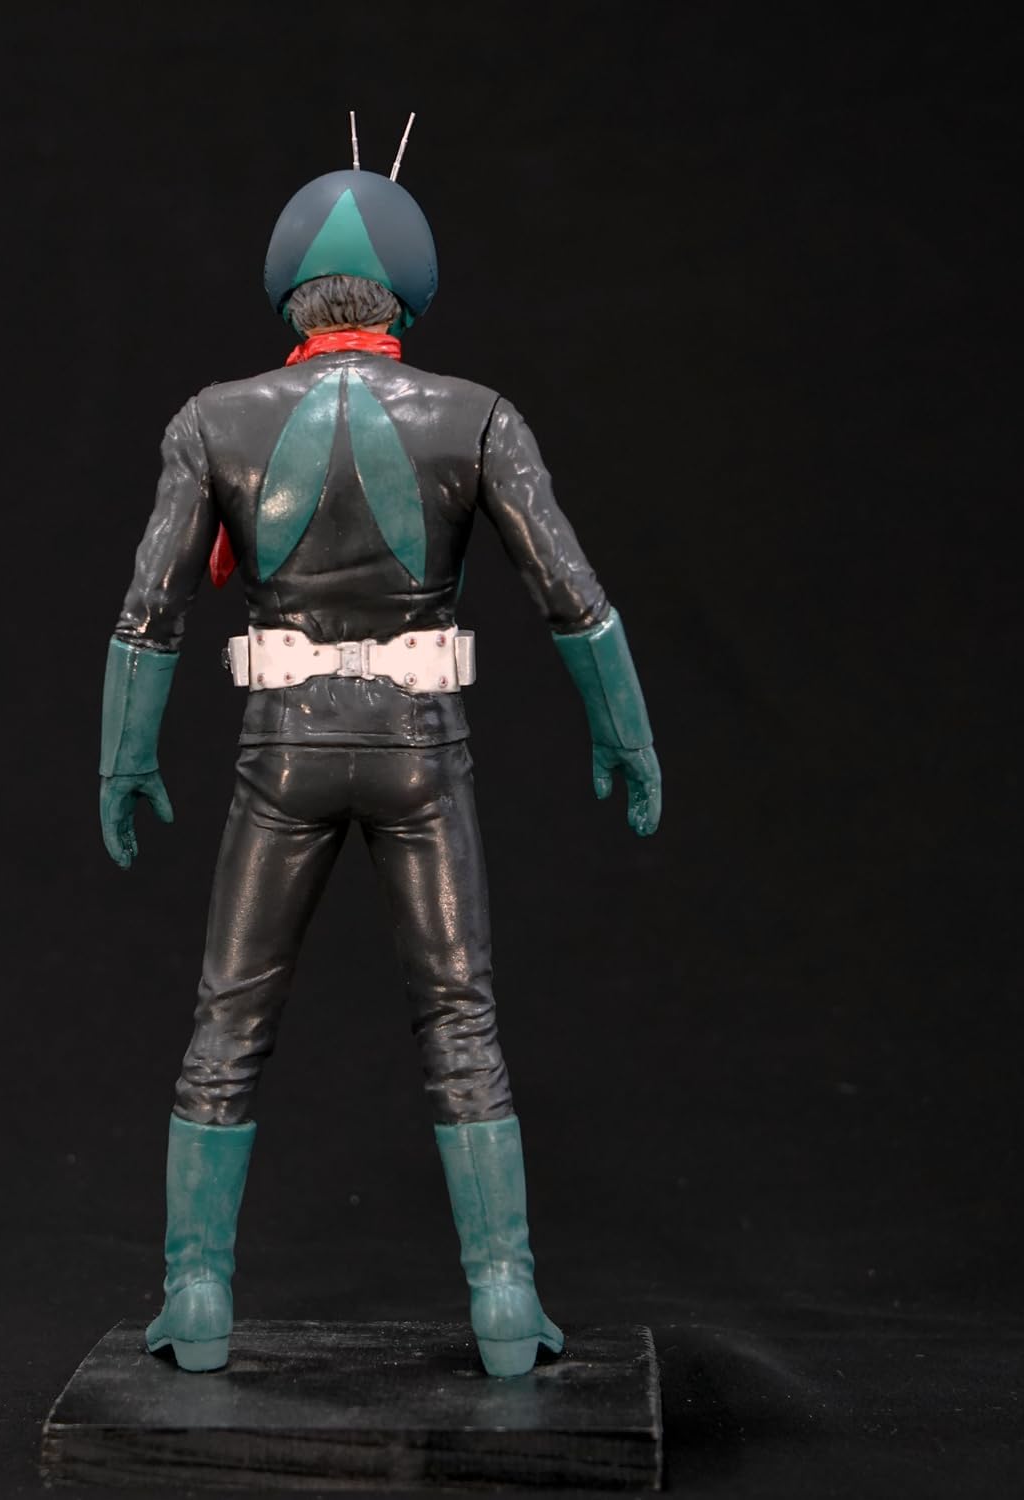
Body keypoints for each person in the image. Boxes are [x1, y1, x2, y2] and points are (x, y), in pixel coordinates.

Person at [99, 160, 661, 1377]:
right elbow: (572, 594)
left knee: (229, 1020)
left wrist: (123, 757)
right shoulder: (477, 417)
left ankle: (197, 1291)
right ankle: (503, 1295)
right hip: (420, 750)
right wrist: (623, 729)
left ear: (285, 289)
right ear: (408, 291)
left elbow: (151, 608)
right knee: (461, 1019)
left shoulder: (212, 421)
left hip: (282, 752)